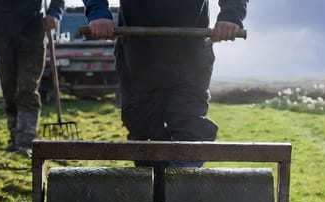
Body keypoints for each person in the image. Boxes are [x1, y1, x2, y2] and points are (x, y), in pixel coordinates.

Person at [81, 0, 245, 147]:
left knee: (190, 130)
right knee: (144, 136)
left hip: (190, 56)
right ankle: (159, 178)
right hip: (138, 56)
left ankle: (180, 176)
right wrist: (98, 11)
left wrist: (230, 15)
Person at [0, 0, 65, 155]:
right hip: (2, 29)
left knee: (27, 86)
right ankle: (14, 137)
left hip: (32, 29)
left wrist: (54, 13)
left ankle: (26, 142)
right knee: (9, 89)